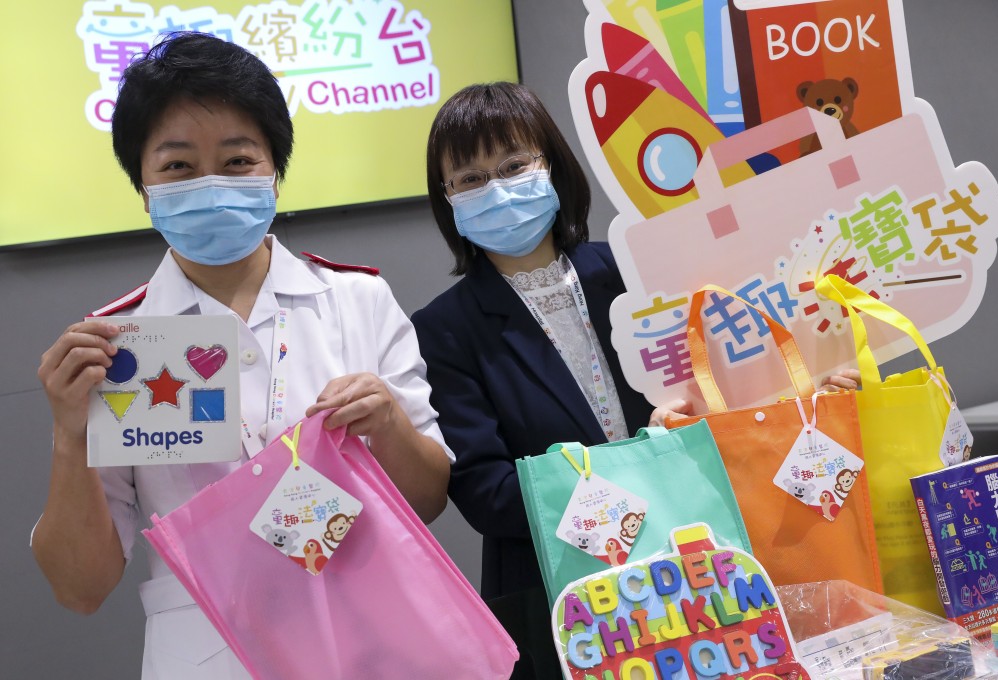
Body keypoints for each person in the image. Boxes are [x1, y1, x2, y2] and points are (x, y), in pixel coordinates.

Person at [31, 33, 451, 678]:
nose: (210, 183)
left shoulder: (356, 300)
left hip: (370, 640)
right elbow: (81, 589)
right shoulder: (115, 349)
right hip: (210, 653)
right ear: (143, 188)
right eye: (177, 166)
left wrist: (389, 424)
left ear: (274, 172)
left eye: (237, 160)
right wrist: (69, 434)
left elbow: (426, 499)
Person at [410, 82, 688, 676]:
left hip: (690, 557)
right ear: (448, 200)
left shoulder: (631, 270)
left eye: (514, 166)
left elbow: (710, 387)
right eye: (470, 179)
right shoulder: (442, 329)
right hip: (562, 597)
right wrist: (634, 488)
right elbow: (487, 492)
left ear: (554, 168)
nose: (496, 189)